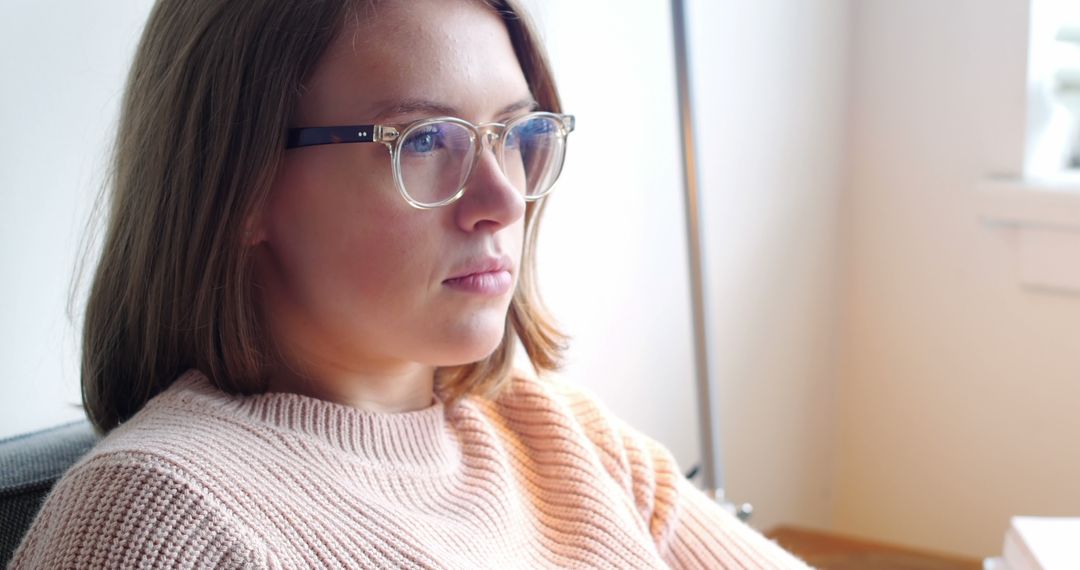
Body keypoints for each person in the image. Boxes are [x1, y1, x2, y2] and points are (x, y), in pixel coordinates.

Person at [11, 0, 810, 568]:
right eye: (426, 140)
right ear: (240, 185)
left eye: (514, 134)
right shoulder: (162, 517)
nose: (503, 201)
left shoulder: (566, 440)